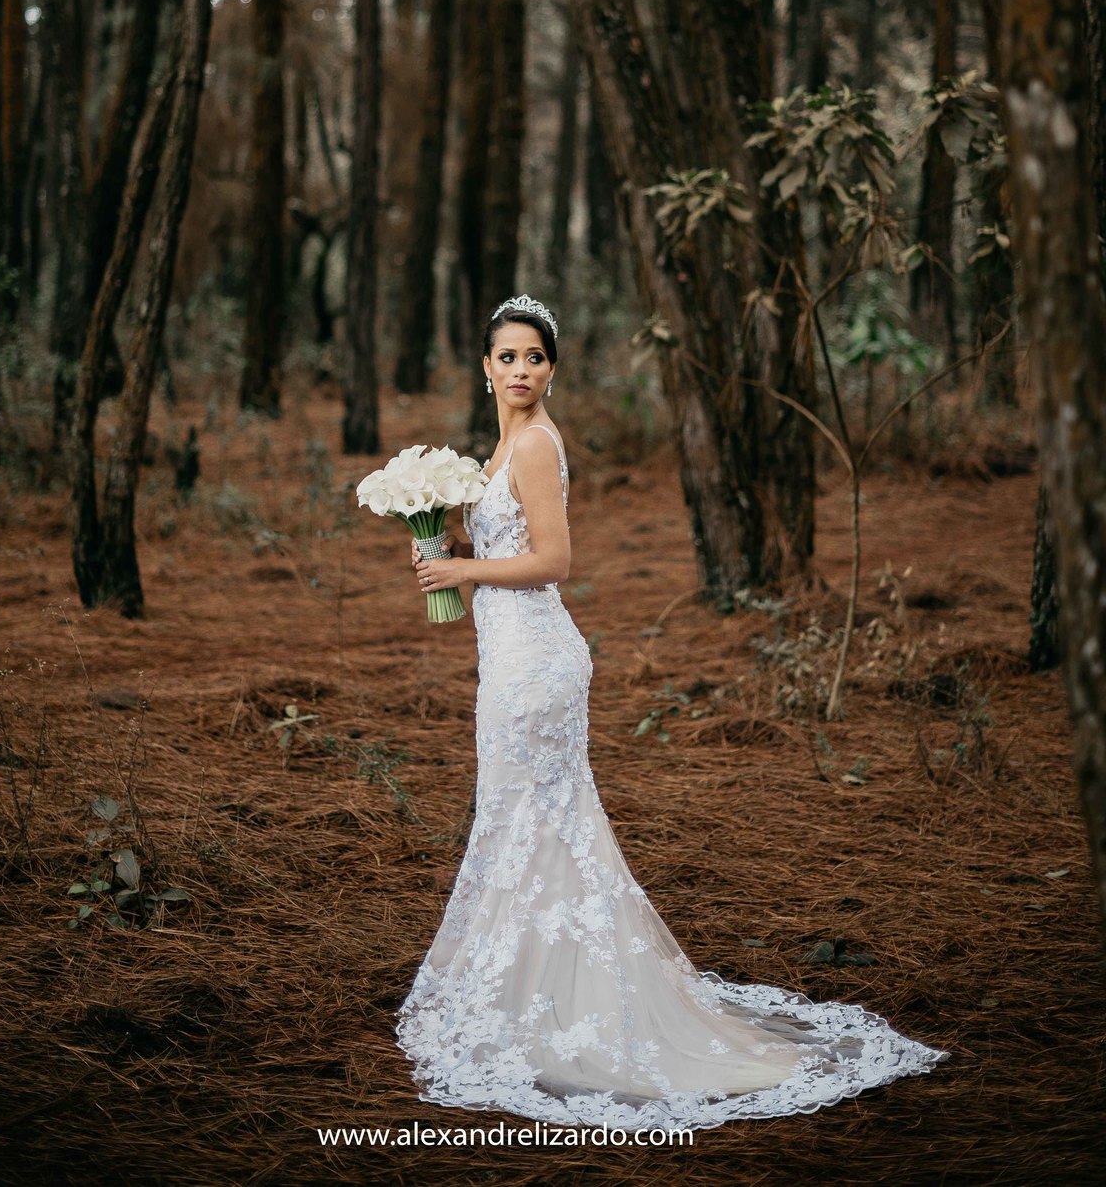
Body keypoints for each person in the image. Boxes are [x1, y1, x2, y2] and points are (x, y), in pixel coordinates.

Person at [396, 294, 948, 1132]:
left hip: (537, 664)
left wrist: (465, 574)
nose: (520, 370)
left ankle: (571, 1009)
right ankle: (538, 993)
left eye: (535, 357)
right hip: (506, 658)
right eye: (507, 357)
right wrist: (442, 545)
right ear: (485, 368)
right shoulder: (503, 444)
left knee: (535, 820)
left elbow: (554, 561)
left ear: (553, 369)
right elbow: (510, 548)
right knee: (525, 822)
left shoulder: (536, 444)